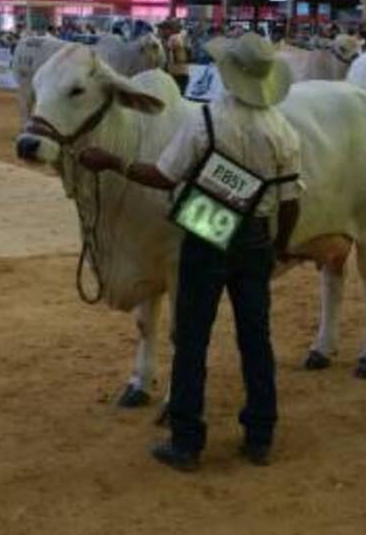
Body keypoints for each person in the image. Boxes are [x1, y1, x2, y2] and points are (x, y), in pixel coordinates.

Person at [78, 33, 303, 472]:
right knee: (256, 339)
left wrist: (113, 162)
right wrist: (280, 246)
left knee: (192, 339)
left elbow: (163, 176)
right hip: (255, 236)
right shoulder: (283, 130)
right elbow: (292, 201)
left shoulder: (207, 122)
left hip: (208, 226)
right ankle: (260, 435)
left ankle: (186, 441)